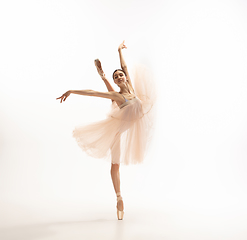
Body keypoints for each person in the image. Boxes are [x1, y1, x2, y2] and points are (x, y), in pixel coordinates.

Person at [56, 41, 155, 220]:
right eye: (115, 77)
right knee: (115, 164)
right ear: (116, 82)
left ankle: (102, 75)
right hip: (115, 132)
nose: (119, 77)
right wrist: (72, 90)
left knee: (128, 98)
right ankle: (119, 198)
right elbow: (93, 93)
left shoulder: (132, 88)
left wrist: (119, 50)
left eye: (120, 75)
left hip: (131, 121)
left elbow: (124, 65)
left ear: (125, 77)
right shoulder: (118, 95)